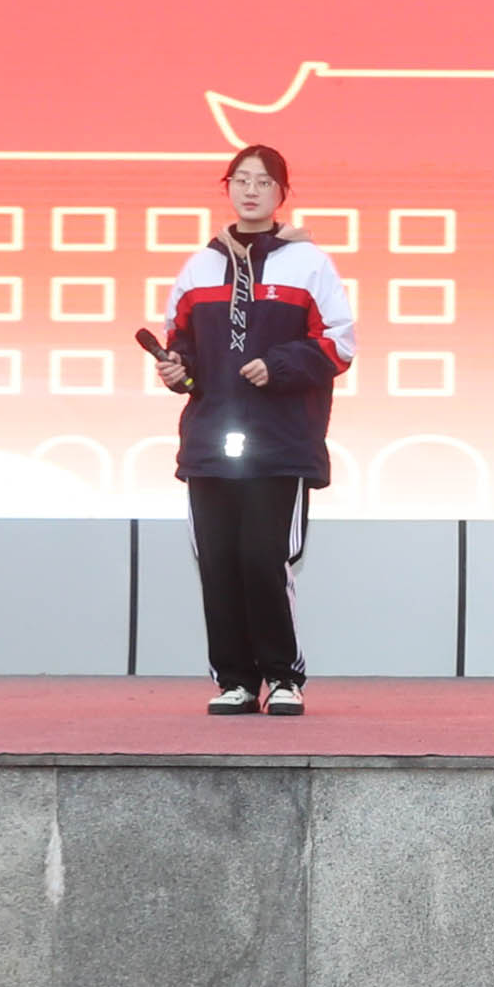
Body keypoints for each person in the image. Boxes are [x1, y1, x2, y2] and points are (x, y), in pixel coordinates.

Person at [136, 144, 356, 716]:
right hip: (211, 441)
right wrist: (177, 371)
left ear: (282, 192)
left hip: (280, 442)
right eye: (240, 180)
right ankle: (234, 678)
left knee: (264, 559)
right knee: (217, 561)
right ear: (227, 187)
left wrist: (278, 365)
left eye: (263, 181)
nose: (250, 190)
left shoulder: (309, 263)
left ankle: (282, 677)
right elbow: (184, 347)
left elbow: (339, 343)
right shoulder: (199, 267)